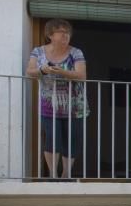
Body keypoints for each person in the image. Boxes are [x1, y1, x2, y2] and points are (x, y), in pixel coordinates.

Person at [26, 18, 87, 179]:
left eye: (68, 32)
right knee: (53, 139)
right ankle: (53, 174)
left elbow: (82, 75)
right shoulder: (38, 52)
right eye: (62, 32)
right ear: (51, 35)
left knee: (73, 140)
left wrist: (61, 72)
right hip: (49, 104)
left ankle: (66, 173)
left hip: (75, 106)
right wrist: (43, 70)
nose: (66, 35)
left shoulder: (76, 52)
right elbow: (29, 71)